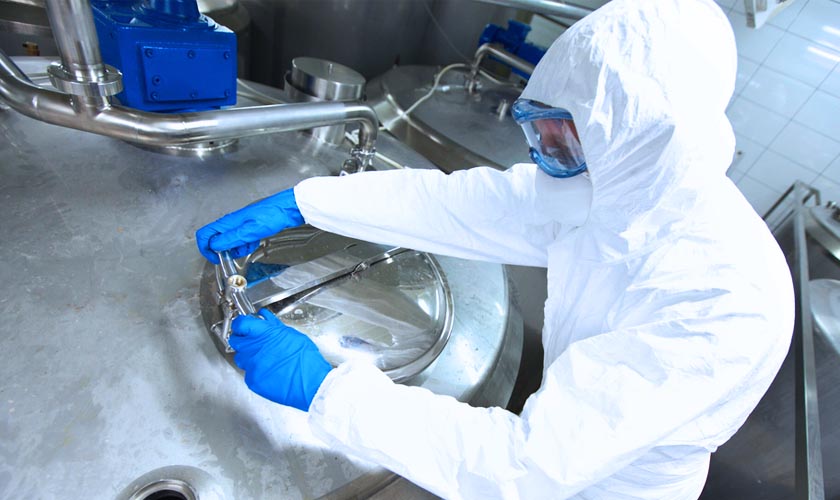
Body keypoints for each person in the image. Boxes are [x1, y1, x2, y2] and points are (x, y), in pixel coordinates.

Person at [195, 0, 794, 498]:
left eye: (565, 134)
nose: (543, 152)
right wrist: (311, 203)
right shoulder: (619, 190)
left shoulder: (726, 300)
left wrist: (326, 390)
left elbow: (527, 465)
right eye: (541, 126)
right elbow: (471, 206)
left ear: (639, 138)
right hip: (564, 449)